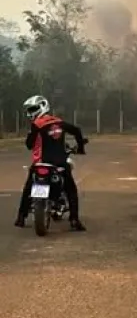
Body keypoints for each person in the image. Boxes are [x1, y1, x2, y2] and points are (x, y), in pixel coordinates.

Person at [14, 95, 87, 231]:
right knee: (71, 189)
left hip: (41, 163)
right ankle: (74, 219)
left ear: (42, 107)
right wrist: (81, 147)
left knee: (28, 188)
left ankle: (21, 217)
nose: (31, 112)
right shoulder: (60, 122)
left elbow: (29, 145)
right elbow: (77, 130)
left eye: (34, 109)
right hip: (60, 164)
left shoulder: (36, 125)